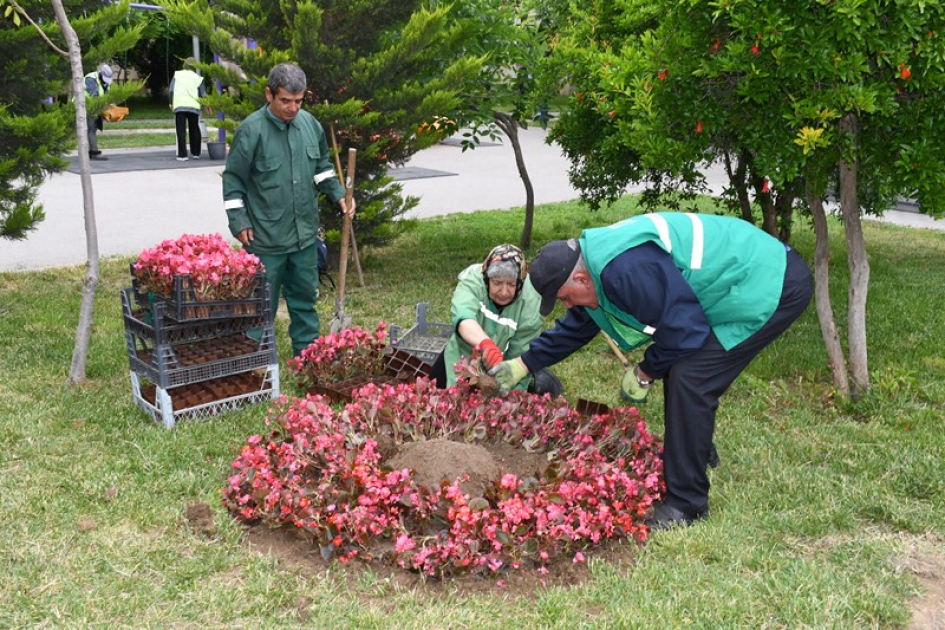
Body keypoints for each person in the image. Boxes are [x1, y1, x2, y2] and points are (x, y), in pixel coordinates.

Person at [488, 212, 813, 530]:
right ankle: (695, 451)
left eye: (565, 298)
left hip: (769, 281)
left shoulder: (625, 271)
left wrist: (646, 371)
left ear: (581, 280)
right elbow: (579, 325)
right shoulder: (597, 262)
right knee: (684, 365)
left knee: (691, 376)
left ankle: (687, 504)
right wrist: (524, 363)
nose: (568, 305)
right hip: (748, 274)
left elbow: (685, 332)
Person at [222, 63, 355, 356]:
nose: (292, 107)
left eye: (298, 100)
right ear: (269, 94)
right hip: (265, 239)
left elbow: (321, 168)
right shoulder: (251, 131)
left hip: (304, 237)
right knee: (259, 304)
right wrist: (238, 220)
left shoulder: (310, 126)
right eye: (285, 100)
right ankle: (253, 361)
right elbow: (233, 179)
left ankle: (306, 357)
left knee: (304, 299)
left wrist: (338, 194)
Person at [430, 244, 562, 396]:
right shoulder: (473, 281)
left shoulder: (531, 304)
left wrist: (512, 396)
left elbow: (521, 353)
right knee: (440, 395)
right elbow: (463, 317)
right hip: (463, 355)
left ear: (520, 282)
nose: (504, 292)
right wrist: (486, 344)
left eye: (511, 284)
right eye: (497, 283)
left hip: (502, 363)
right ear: (487, 279)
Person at [169, 59, 207, 161]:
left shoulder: (177, 75)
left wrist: (170, 102)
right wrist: (206, 105)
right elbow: (203, 94)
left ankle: (182, 155)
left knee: (181, 130)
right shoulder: (198, 78)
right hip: (193, 105)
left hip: (180, 105)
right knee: (194, 128)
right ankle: (196, 153)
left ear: (184, 65)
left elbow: (171, 90)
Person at [84, 63, 113, 161]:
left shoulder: (105, 83)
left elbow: (107, 96)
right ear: (101, 73)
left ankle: (92, 151)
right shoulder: (91, 79)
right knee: (91, 129)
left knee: (93, 129)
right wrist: (104, 108)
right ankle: (94, 152)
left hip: (94, 107)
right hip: (84, 106)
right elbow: (94, 97)